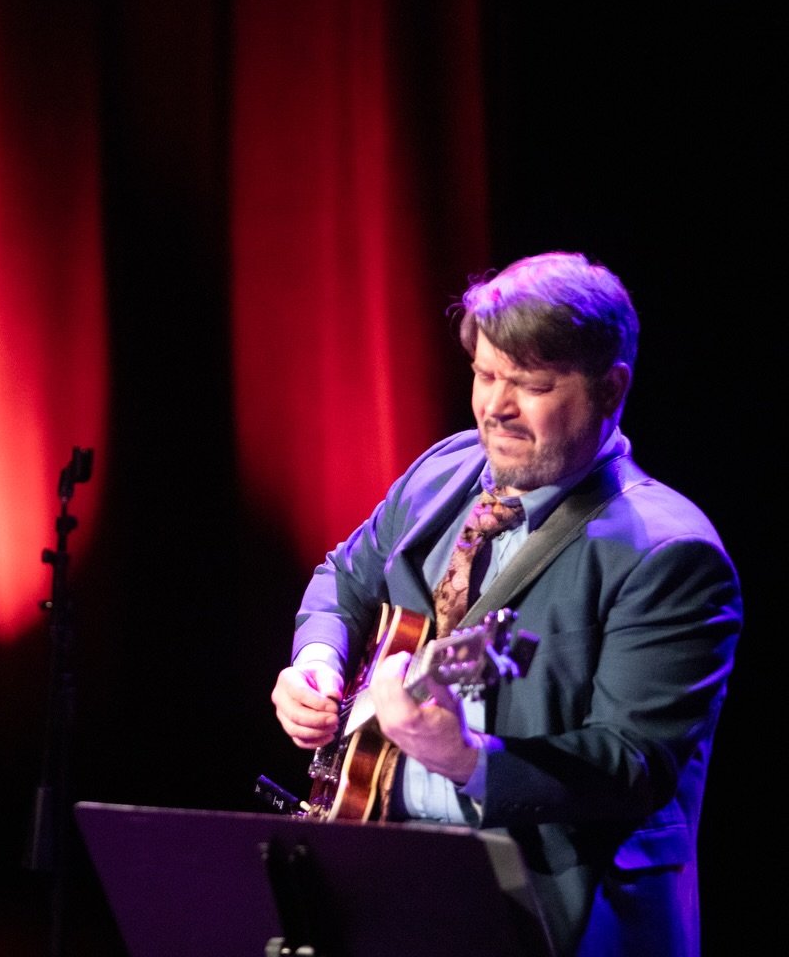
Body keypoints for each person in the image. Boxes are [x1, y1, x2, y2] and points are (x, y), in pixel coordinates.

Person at [270, 251, 740, 957]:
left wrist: (467, 759)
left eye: (532, 384)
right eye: (486, 375)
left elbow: (630, 765)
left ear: (611, 389)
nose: (497, 406)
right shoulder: (443, 470)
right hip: (386, 877)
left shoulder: (669, 553)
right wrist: (316, 662)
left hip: (556, 910)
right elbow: (344, 577)